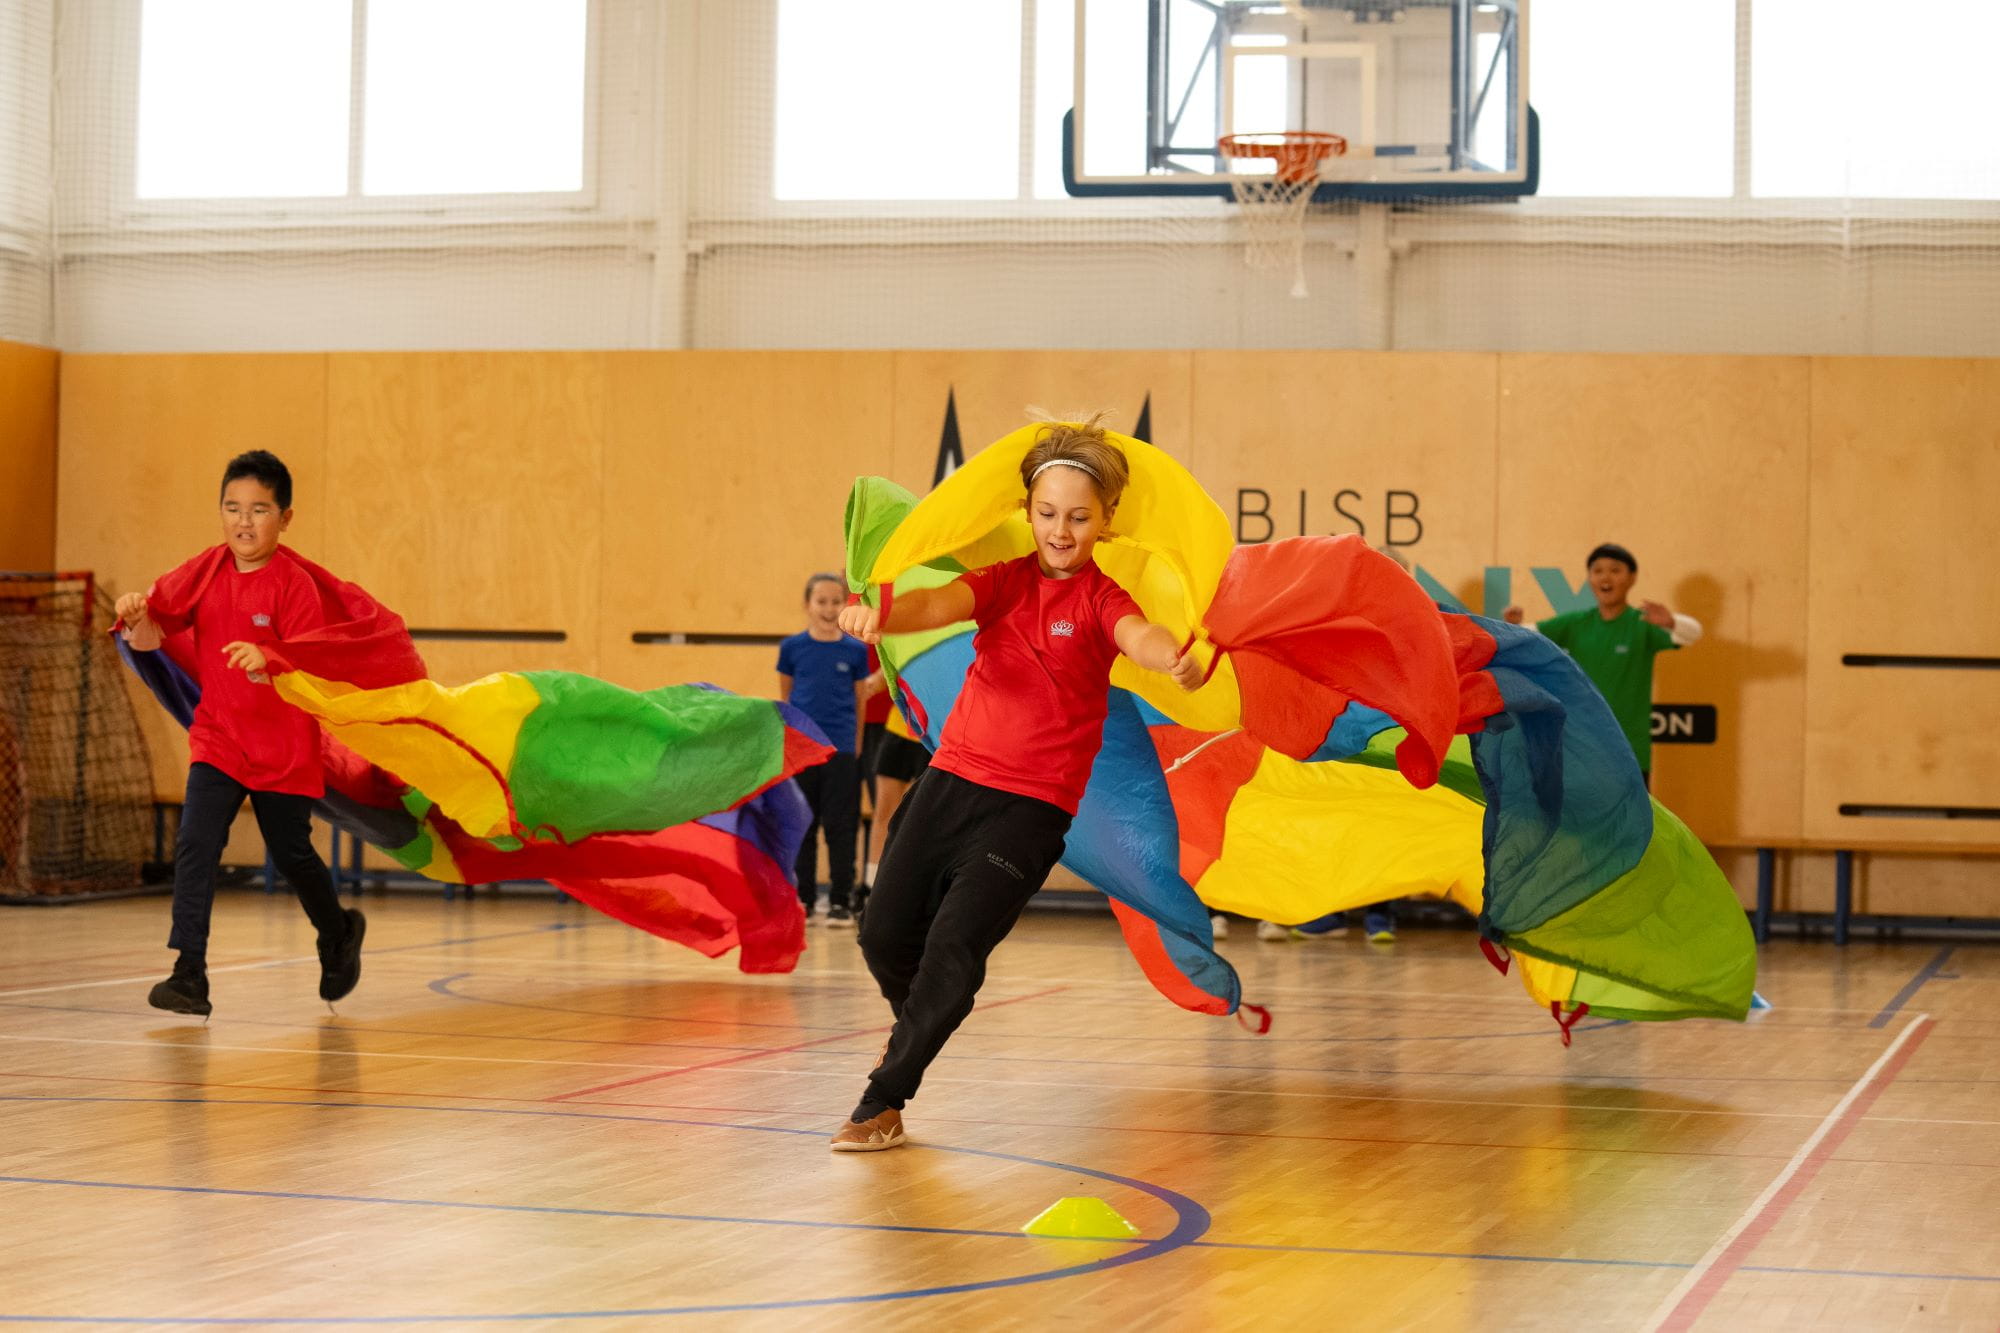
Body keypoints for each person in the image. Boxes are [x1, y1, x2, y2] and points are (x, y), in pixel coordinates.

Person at [830, 417, 1201, 1150]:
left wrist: (1172, 656)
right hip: (950, 781)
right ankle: (919, 1030)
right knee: (882, 936)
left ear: (1104, 520)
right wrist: (881, 615)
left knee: (953, 950)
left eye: (1078, 518)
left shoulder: (1100, 598)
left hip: (1029, 810)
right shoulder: (1005, 581)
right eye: (1048, 513)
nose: (1061, 531)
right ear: (1028, 512)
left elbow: (1139, 636)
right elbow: (936, 604)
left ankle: (883, 1099)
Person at [114, 450, 365, 1018]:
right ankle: (189, 974)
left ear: (285, 518)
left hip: (283, 747)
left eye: (258, 510)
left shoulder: (294, 585)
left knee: (292, 854)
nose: (243, 522)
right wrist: (136, 616)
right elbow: (152, 639)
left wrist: (269, 656)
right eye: (232, 508)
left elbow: (313, 660)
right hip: (220, 739)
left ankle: (338, 932)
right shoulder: (203, 572)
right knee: (196, 844)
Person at [1504, 542, 1703, 783]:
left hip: (1630, 750)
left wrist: (1671, 622)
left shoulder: (1642, 624)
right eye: (1597, 571)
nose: (1605, 577)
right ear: (1590, 579)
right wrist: (1514, 626)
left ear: (1631, 578)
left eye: (1615, 570)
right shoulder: (1576, 623)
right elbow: (1527, 635)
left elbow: (1692, 634)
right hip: (1581, 748)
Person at [777, 574, 870, 927]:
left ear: (845, 605)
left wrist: (855, 744)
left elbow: (859, 701)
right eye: (821, 601)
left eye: (836, 601)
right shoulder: (792, 648)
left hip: (840, 751)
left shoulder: (855, 651)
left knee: (841, 827)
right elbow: (787, 697)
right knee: (803, 824)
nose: (829, 609)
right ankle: (802, 897)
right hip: (803, 751)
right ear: (807, 605)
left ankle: (840, 901)